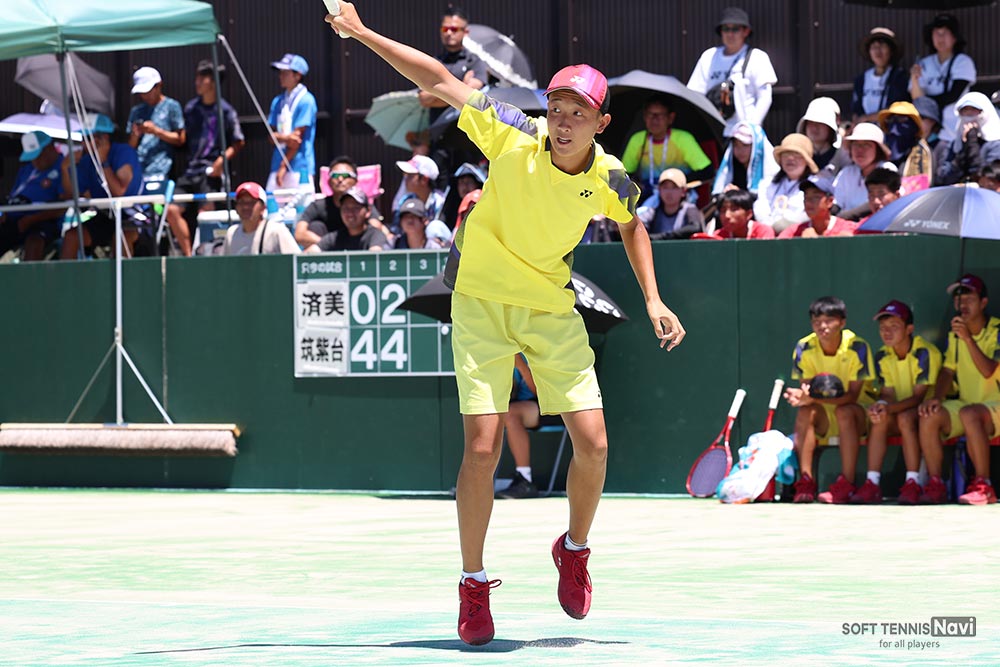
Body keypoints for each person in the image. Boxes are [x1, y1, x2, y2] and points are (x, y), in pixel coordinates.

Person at [326, 2, 685, 646]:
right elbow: (438, 77)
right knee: (482, 449)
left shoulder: (609, 175)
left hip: (549, 308)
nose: (565, 122)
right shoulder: (512, 132)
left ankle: (574, 549)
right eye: (558, 108)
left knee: (594, 444)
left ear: (601, 123)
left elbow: (633, 224)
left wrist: (654, 299)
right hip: (481, 304)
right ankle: (473, 582)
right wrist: (359, 32)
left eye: (579, 113)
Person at [917, 274, 1000, 505]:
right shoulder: (955, 334)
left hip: (995, 405)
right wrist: (937, 397)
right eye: (958, 299)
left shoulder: (997, 330)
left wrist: (968, 339)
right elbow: (947, 370)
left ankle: (984, 485)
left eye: (969, 298)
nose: (962, 304)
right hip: (967, 405)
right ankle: (936, 485)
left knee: (970, 414)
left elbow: (988, 370)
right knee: (929, 415)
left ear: (983, 302)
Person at [783, 296, 876, 503]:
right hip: (825, 418)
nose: (822, 326)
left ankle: (847, 484)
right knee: (805, 411)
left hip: (860, 416)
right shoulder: (804, 347)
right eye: (816, 322)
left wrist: (810, 399)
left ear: (842, 322)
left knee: (844, 411)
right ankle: (806, 482)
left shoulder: (858, 347)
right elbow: (807, 391)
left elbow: (852, 396)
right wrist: (801, 397)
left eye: (828, 321)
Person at [855, 300, 941, 505]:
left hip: (927, 414)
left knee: (903, 418)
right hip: (901, 411)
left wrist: (888, 408)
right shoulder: (882, 355)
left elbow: (918, 398)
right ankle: (872, 483)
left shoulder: (925, 353)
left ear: (909, 329)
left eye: (894, 326)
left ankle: (913, 483)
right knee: (879, 419)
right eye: (883, 327)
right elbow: (888, 393)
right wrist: (881, 406)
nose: (887, 332)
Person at [166, 59, 245, 257]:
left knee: (206, 215)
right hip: (189, 170)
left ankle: (205, 255)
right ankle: (189, 256)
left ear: (213, 81)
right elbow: (182, 139)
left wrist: (221, 161)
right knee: (171, 210)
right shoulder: (191, 108)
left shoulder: (226, 110)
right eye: (197, 78)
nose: (197, 82)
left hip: (210, 173)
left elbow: (239, 142)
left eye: (202, 78)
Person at [59, 114, 144, 259]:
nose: (83, 144)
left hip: (133, 215)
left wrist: (103, 161)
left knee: (120, 237)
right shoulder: (87, 160)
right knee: (71, 236)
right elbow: (71, 194)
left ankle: (125, 274)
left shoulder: (124, 152)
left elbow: (119, 191)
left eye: (87, 139)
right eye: (82, 139)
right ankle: (68, 275)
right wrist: (65, 168)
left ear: (103, 138)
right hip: (105, 216)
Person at [687, 7, 777, 138]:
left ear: (745, 31)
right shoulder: (709, 56)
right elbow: (696, 93)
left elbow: (764, 97)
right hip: (714, 131)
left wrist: (752, 128)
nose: (730, 34)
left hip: (744, 133)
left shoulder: (757, 57)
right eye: (726, 29)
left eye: (735, 29)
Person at [620, 96, 713, 200]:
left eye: (660, 115)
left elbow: (707, 171)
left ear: (671, 118)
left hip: (678, 197)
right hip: (647, 196)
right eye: (650, 114)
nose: (654, 119)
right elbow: (624, 175)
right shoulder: (637, 139)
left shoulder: (683, 139)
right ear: (644, 117)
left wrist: (672, 183)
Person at [495, 354, 558, 500]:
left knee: (510, 414)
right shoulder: (506, 349)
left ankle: (525, 480)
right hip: (522, 404)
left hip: (552, 405)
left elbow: (542, 393)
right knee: (493, 413)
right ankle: (479, 483)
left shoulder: (540, 348)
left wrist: (520, 365)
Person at [909, 14, 976, 144]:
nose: (940, 38)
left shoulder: (963, 61)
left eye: (945, 33)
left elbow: (953, 95)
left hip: (955, 129)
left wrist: (927, 104)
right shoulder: (923, 63)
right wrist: (914, 79)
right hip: (929, 131)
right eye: (937, 33)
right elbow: (917, 100)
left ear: (955, 37)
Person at [0, 131, 65, 261]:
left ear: (49, 148)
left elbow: (62, 205)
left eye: (37, 156)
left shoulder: (63, 167)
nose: (34, 161)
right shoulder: (26, 169)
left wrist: (30, 219)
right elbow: (13, 196)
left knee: (34, 242)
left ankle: (29, 275)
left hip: (42, 221)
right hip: (13, 218)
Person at [419, 6, 486, 123]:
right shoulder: (433, 62)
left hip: (465, 130)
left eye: (454, 29)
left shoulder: (475, 61)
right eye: (445, 29)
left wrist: (437, 90)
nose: (449, 33)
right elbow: (423, 99)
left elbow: (468, 96)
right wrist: (462, 85)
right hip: (437, 129)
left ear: (465, 32)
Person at [266, 53, 318, 192]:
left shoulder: (307, 100)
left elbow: (296, 140)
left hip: (300, 167)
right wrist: (286, 138)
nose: (281, 76)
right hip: (277, 165)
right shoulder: (277, 101)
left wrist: (283, 166)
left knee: (301, 205)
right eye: (280, 72)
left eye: (285, 72)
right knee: (271, 203)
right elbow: (271, 136)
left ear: (298, 75)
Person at [127, 66, 186, 179]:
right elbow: (130, 147)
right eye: (142, 92)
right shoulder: (136, 111)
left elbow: (180, 139)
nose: (145, 95)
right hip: (138, 171)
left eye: (148, 91)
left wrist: (155, 131)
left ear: (158, 85)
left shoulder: (172, 106)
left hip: (163, 170)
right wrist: (135, 135)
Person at [753, 133, 817, 233]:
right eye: (786, 154)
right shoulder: (767, 183)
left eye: (796, 154)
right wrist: (769, 227)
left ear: (807, 161)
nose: (790, 158)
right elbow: (761, 207)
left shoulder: (816, 184)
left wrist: (787, 226)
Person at [832, 122, 896, 219]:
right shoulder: (846, 173)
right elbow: (837, 204)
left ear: (878, 150)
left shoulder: (887, 169)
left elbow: (880, 203)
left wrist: (845, 217)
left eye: (866, 145)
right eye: (856, 145)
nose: (860, 150)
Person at [936, 92, 1000, 186]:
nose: (969, 114)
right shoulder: (955, 144)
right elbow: (944, 177)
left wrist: (972, 142)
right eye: (965, 110)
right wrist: (961, 152)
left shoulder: (995, 144)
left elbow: (985, 175)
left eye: (974, 110)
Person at [222, 181, 299, 256]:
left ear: (263, 208)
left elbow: (296, 260)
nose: (245, 207)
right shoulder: (231, 234)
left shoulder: (276, 231)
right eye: (241, 202)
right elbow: (224, 263)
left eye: (251, 202)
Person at [851, 27, 910, 125]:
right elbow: (856, 111)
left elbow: (898, 110)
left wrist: (866, 118)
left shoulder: (900, 77)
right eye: (874, 47)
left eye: (882, 46)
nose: (878, 51)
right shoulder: (861, 80)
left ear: (891, 50)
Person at [307, 187, 386, 252]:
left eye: (356, 208)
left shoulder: (376, 235)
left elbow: (375, 257)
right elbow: (309, 254)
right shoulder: (336, 237)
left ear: (368, 211)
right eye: (346, 208)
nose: (350, 213)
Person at [711, 121, 776, 198]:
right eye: (735, 145)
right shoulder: (732, 169)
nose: (740, 150)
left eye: (745, 145)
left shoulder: (772, 172)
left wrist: (738, 194)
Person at [392, 155, 449, 243]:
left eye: (410, 175)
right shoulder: (405, 200)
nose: (405, 179)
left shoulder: (441, 202)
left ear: (424, 179)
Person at [635, 169, 705, 240]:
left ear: (683, 191)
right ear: (659, 190)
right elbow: (637, 227)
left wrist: (664, 236)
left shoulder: (690, 209)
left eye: (674, 187)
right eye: (665, 187)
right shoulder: (652, 212)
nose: (669, 192)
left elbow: (695, 227)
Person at [779, 177, 858, 238]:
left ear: (829, 201)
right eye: (806, 197)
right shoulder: (795, 231)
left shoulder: (848, 228)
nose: (808, 202)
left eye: (815, 197)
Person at [877, 101, 933, 182]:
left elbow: (921, 185)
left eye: (902, 119)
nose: (894, 129)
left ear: (913, 125)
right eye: (890, 119)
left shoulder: (921, 152)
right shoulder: (881, 150)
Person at [795, 98, 848, 176]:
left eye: (820, 123)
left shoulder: (842, 156)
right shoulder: (796, 154)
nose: (814, 127)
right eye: (811, 122)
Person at [709, 188, 774, 239]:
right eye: (723, 211)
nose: (727, 216)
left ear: (749, 214)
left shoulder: (763, 233)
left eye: (734, 209)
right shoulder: (718, 236)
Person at [913, 95, 949, 177]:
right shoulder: (906, 145)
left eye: (921, 117)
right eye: (914, 117)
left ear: (932, 121)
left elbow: (942, 178)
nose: (917, 121)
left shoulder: (942, 147)